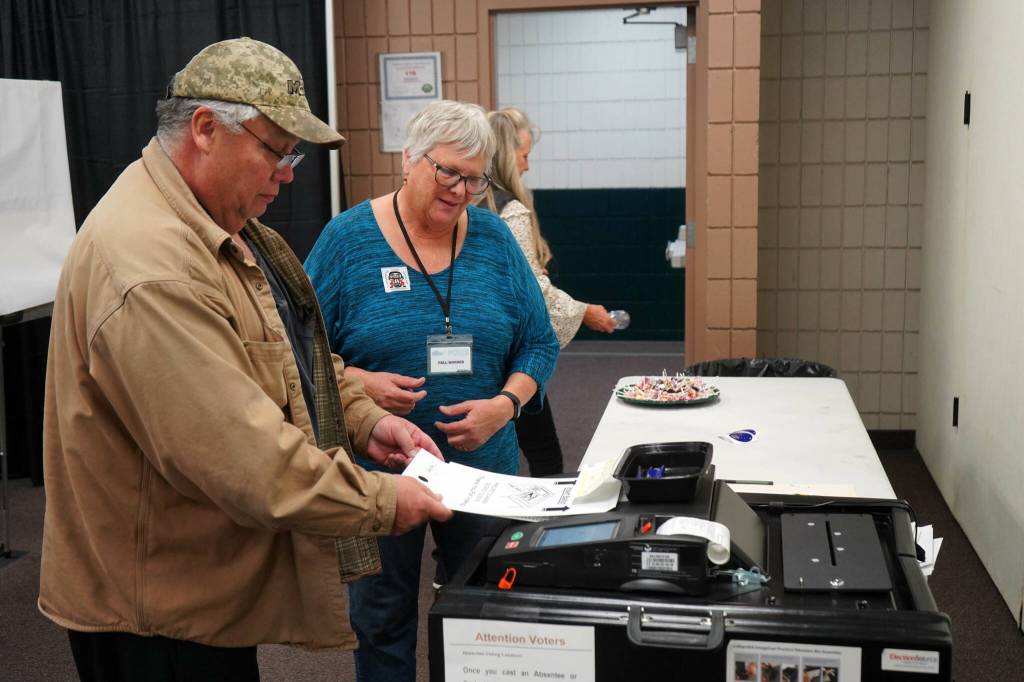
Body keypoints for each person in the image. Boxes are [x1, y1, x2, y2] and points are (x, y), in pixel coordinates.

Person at [38, 37, 452, 682]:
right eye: (277, 149)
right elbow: (238, 455)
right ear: (204, 128)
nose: (289, 172)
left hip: (196, 587)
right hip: (155, 611)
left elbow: (282, 354)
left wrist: (366, 418)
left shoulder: (211, 224)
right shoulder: (154, 265)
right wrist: (380, 501)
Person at [304, 99, 559, 682]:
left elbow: (539, 345)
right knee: (382, 618)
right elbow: (297, 351)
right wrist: (359, 381)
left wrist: (506, 405)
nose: (461, 190)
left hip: (484, 471)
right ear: (408, 160)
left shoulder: (495, 242)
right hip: (381, 472)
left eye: (474, 179)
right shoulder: (347, 241)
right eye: (448, 172)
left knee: (488, 617)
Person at [481, 107, 617, 476]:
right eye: (524, 155)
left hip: (480, 345)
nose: (526, 165)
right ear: (508, 155)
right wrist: (585, 311)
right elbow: (534, 291)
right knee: (546, 458)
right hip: (514, 355)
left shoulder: (473, 207)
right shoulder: (511, 211)